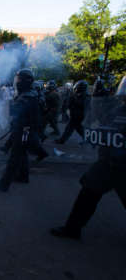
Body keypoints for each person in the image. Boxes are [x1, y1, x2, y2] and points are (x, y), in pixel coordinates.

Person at [51, 76, 126, 240]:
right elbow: (101, 119)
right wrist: (99, 98)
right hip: (108, 162)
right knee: (88, 194)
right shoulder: (119, 109)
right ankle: (72, 229)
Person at [0, 69, 41, 192]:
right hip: (24, 129)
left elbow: (16, 112)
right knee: (22, 154)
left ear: (24, 81)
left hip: (24, 130)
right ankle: (23, 176)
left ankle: (4, 184)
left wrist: (10, 103)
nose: (16, 81)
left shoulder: (27, 96)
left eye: (18, 79)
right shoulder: (30, 93)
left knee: (15, 157)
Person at [55, 80, 90, 144]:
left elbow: (84, 107)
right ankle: (88, 140)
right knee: (75, 129)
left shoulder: (85, 96)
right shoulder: (78, 95)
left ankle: (62, 140)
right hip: (75, 116)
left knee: (72, 129)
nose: (76, 89)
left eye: (78, 87)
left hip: (79, 116)